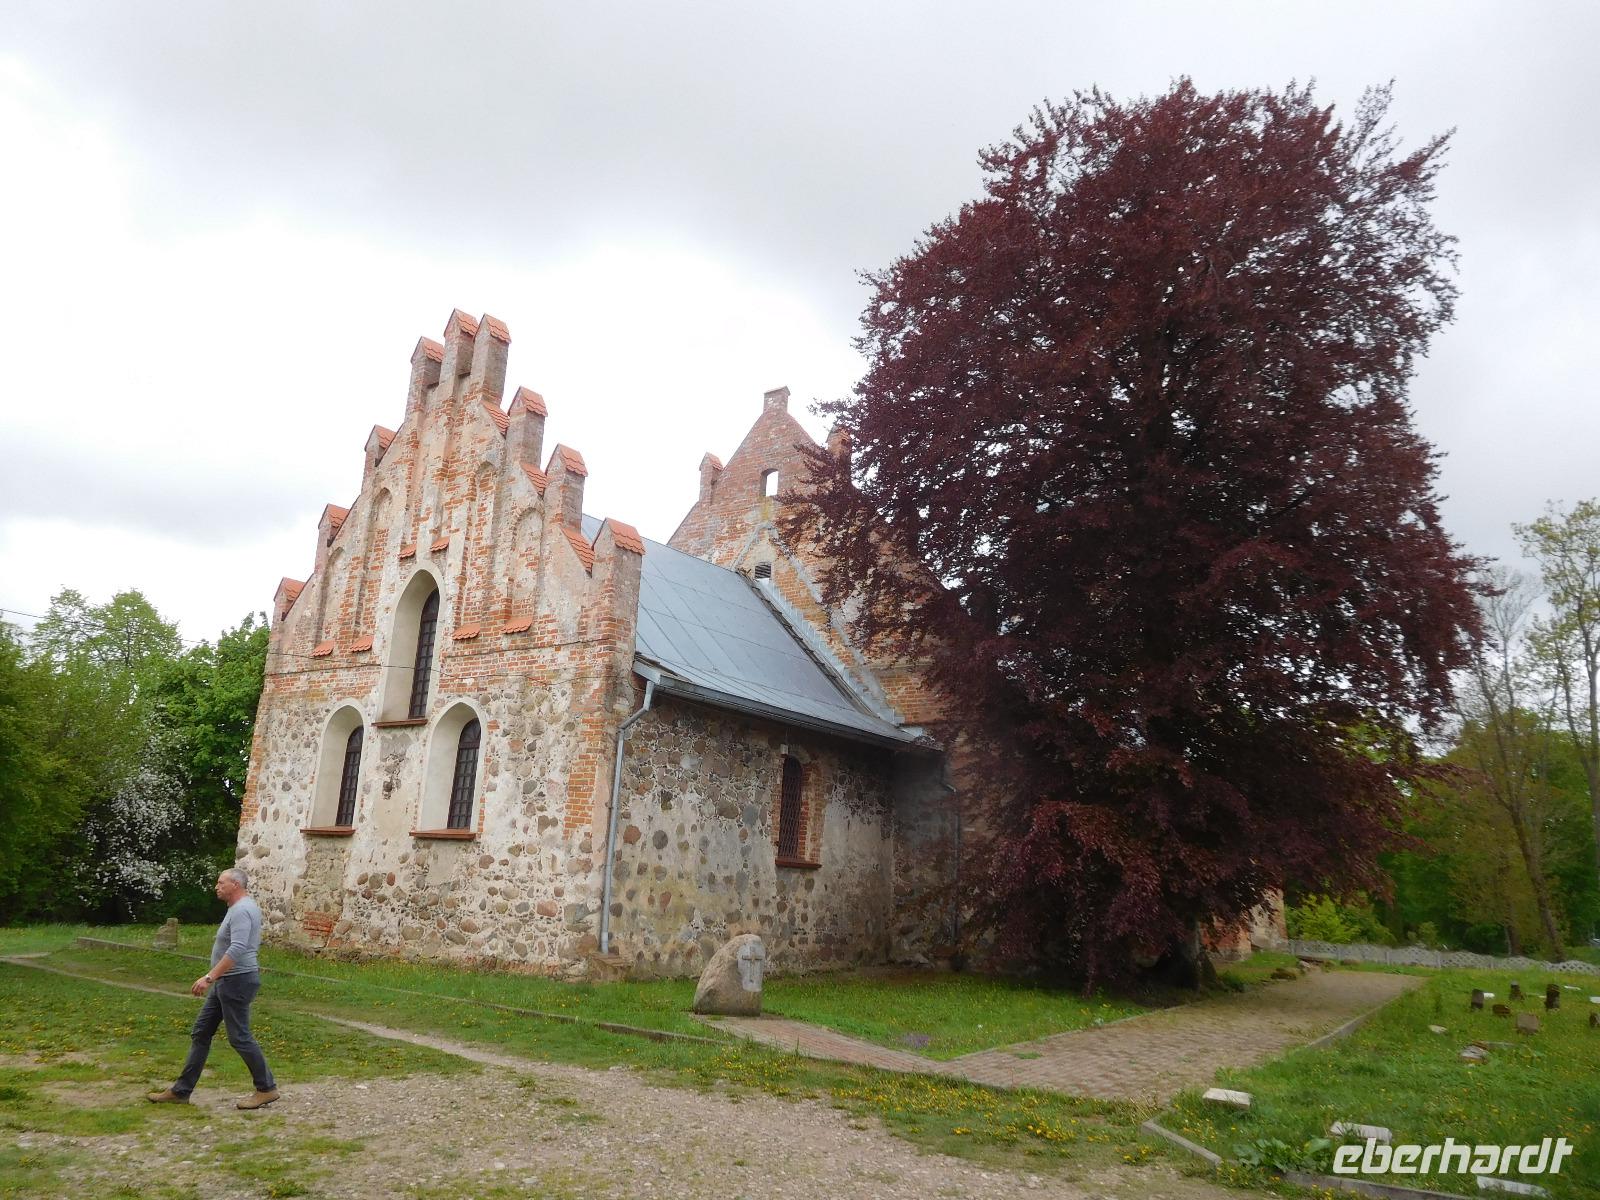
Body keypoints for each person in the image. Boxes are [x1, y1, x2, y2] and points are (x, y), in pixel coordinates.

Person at [146, 866, 279, 1109]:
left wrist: (209, 977)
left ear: (235, 886)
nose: (216, 887)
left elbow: (237, 949)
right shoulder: (239, 909)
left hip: (236, 980)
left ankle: (266, 1088)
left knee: (239, 1037)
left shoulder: (241, 911)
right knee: (201, 1032)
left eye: (221, 883)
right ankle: (181, 1091)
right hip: (226, 981)